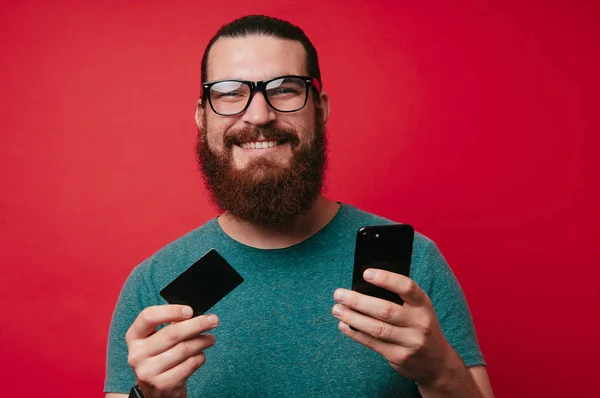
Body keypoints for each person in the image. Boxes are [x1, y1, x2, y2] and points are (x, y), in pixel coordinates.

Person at [105, 15, 494, 398]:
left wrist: (440, 372)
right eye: (229, 92)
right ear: (202, 116)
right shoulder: (151, 285)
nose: (258, 115)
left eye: (285, 89)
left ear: (320, 110)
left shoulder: (415, 265)